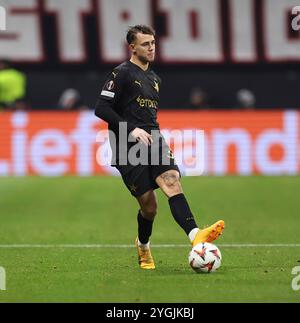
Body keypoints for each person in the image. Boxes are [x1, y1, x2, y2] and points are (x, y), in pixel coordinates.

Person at [95, 25, 225, 270]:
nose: (151, 47)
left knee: (172, 179)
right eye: (145, 44)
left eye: (153, 43)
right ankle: (143, 245)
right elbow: (101, 108)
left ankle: (195, 235)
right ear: (132, 47)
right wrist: (130, 128)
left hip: (154, 138)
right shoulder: (121, 73)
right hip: (126, 144)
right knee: (149, 207)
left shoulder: (155, 79)